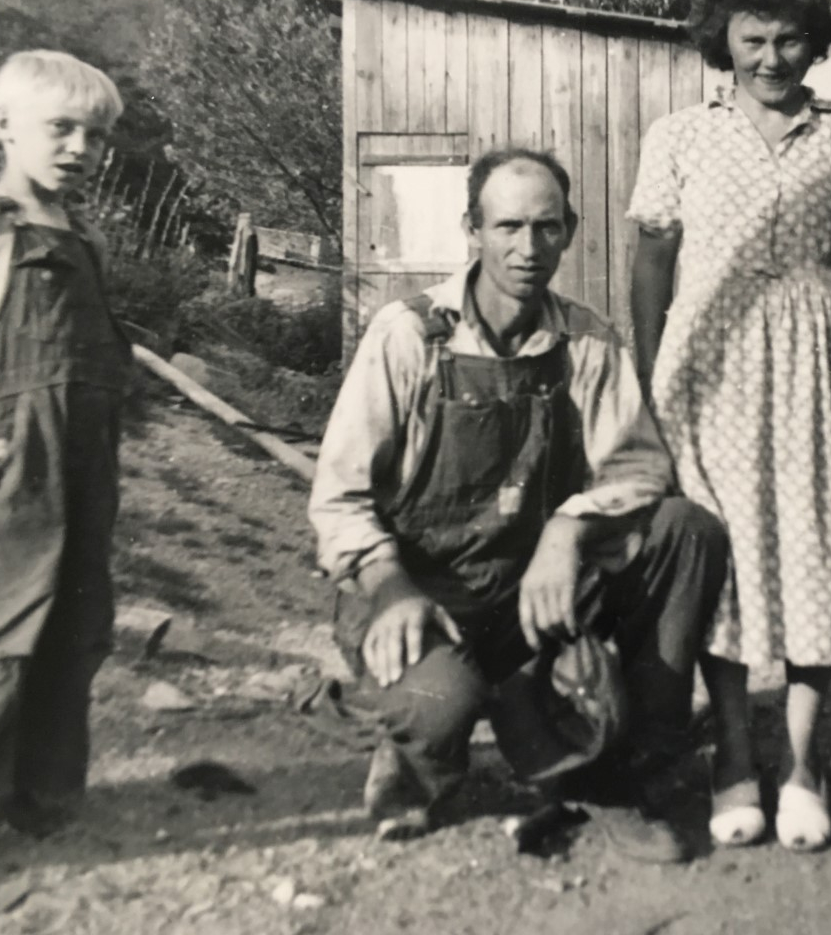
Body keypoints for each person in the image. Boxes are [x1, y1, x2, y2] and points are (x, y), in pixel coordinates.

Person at [308, 147, 729, 863]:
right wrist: (391, 589)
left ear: (568, 230)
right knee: (440, 701)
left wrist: (568, 529)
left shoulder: (586, 340)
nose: (527, 248)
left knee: (686, 532)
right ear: (471, 229)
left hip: (533, 595)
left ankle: (618, 768)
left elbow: (640, 468)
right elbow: (339, 499)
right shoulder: (408, 335)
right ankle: (416, 763)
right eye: (507, 227)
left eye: (546, 227)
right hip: (424, 591)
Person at [627, 0, 831, 853]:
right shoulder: (679, 135)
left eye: (788, 41)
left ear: (815, 44)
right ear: (725, 43)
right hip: (707, 366)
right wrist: (648, 387)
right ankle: (733, 756)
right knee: (722, 554)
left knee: (815, 548)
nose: (770, 59)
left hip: (823, 365)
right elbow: (651, 265)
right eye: (752, 40)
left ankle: (801, 762)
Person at [0, 51, 131, 835]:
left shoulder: (86, 239)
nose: (81, 149)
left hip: (86, 457)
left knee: (77, 621)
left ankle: (42, 793)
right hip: (13, 460)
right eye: (61, 129)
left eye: (96, 137)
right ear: (4, 127)